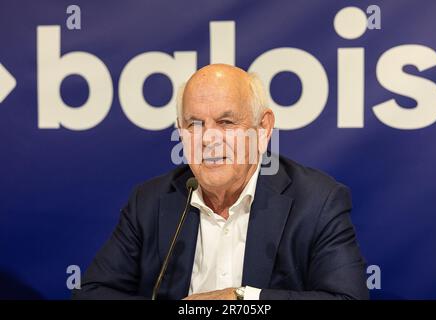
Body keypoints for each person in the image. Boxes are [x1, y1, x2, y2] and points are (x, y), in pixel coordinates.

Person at [72, 64, 369, 300]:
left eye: (226, 123)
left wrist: (240, 300)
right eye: (194, 124)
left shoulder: (316, 201)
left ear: (262, 128)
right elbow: (92, 294)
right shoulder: (150, 201)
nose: (208, 139)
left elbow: (347, 298)